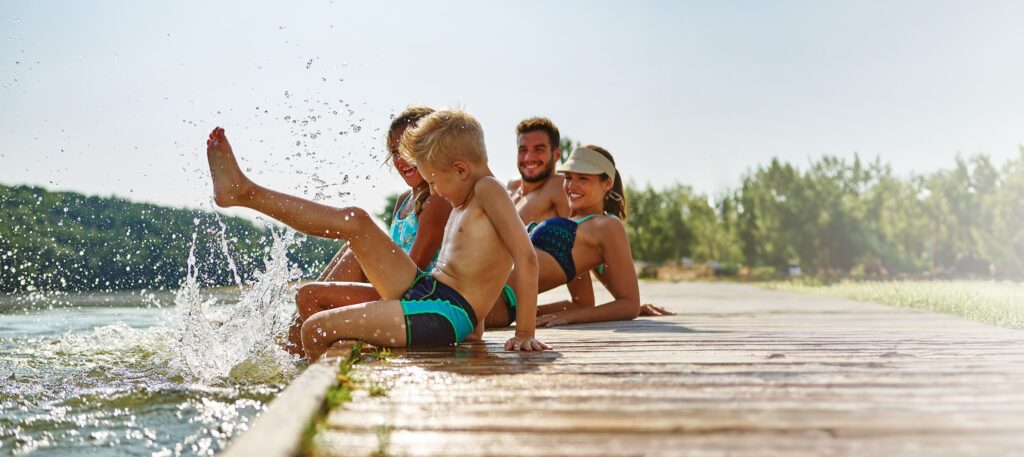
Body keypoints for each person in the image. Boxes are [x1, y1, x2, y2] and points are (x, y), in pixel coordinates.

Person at [205, 108, 550, 361]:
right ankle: (244, 192)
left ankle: (310, 408)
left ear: (460, 169)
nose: (433, 190)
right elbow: (477, 264)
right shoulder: (467, 194)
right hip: (429, 290)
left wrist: (524, 334)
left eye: (433, 181)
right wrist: (476, 331)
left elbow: (524, 257)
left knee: (316, 328)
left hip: (445, 312)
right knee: (356, 220)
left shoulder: (489, 189)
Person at [283, 107, 452, 357]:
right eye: (395, 151)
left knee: (309, 295)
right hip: (394, 290)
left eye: (409, 148)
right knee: (352, 251)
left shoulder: (436, 200)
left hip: (416, 300)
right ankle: (291, 354)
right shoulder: (405, 200)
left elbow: (413, 275)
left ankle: (310, 371)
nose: (401, 159)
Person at [486, 145, 671, 328]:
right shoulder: (575, 225)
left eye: (583, 178)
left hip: (494, 299)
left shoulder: (607, 226)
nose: (572, 186)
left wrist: (570, 317)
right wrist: (540, 313)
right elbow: (582, 302)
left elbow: (628, 304)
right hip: (488, 290)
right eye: (568, 177)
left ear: (607, 184)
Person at [507, 117, 570, 225]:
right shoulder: (512, 186)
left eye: (538, 149)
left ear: (556, 155)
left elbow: (584, 234)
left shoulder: (560, 186)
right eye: (523, 150)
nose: (528, 158)